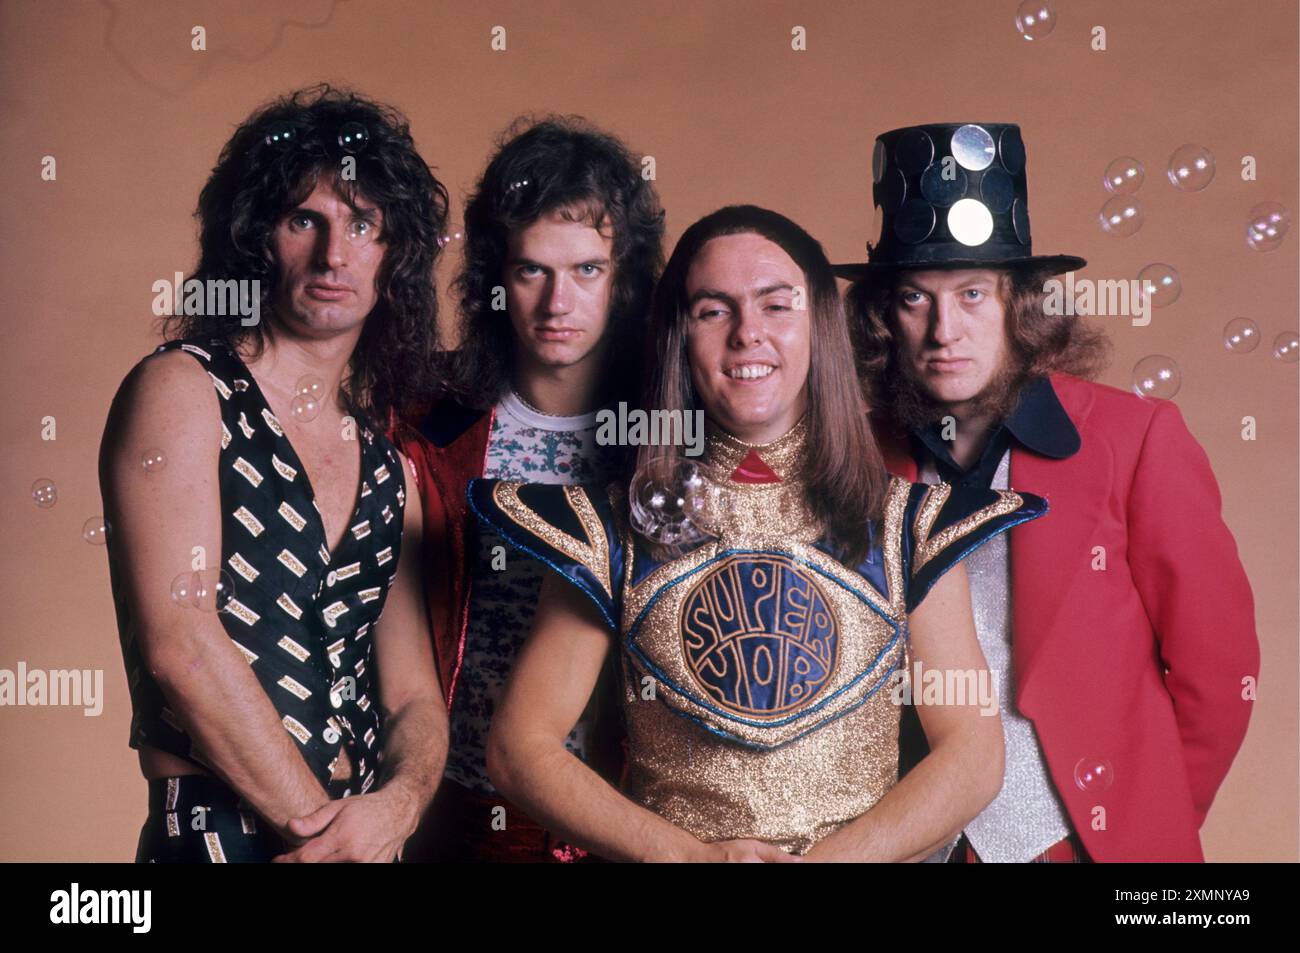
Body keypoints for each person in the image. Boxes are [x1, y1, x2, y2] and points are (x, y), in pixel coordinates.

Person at [472, 205, 1048, 861]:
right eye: (714, 310)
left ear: (820, 329)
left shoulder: (910, 524)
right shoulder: (612, 527)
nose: (748, 333)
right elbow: (520, 748)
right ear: (677, 338)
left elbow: (972, 755)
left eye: (777, 306)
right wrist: (688, 858)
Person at [838, 121, 1259, 862]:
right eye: (915, 299)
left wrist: (1143, 825)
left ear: (1022, 305)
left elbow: (1219, 676)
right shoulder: (854, 457)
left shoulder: (1136, 438)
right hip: (909, 844)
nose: (945, 329)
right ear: (883, 317)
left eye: (973, 294)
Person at [100, 85, 448, 862]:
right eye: (306, 220)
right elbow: (182, 645)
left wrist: (398, 805)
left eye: (363, 225)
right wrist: (328, 833)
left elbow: (414, 697)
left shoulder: (392, 468)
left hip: (359, 840)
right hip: (220, 834)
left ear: (395, 256)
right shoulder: (184, 390)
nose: (335, 254)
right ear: (258, 236)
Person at [393, 116, 665, 861]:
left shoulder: (668, 430)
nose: (557, 303)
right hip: (453, 811)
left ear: (627, 276)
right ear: (495, 278)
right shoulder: (428, 423)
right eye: (530, 270)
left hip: (624, 816)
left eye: (587, 270)